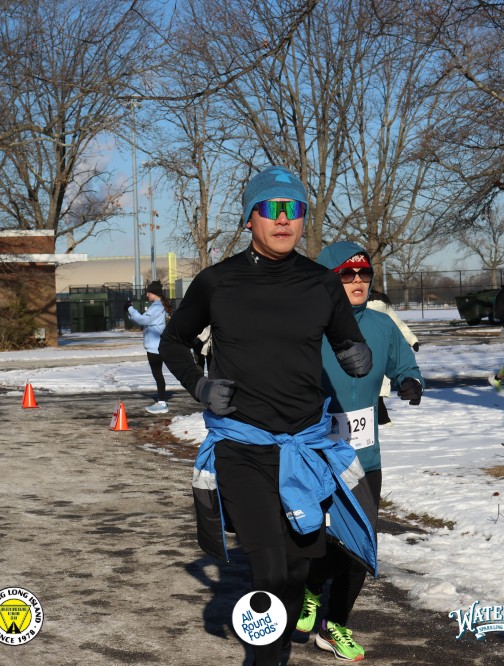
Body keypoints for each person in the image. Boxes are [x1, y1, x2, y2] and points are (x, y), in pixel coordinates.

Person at [159, 166, 376, 666]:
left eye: (293, 209)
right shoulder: (218, 282)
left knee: (299, 570)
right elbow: (173, 341)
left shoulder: (321, 283)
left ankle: (274, 651)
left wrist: (355, 354)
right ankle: (265, 661)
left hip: (305, 449)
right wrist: (199, 384)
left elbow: (348, 340)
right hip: (243, 448)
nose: (283, 219)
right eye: (271, 208)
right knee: (271, 570)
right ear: (249, 219)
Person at [296, 242, 424, 661]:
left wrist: (410, 382)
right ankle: (309, 587)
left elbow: (404, 363)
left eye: (364, 274)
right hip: (315, 454)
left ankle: (334, 626)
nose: (357, 281)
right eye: (347, 274)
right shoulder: (307, 328)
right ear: (328, 280)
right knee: (315, 538)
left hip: (364, 459)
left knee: (361, 546)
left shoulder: (382, 325)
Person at [366, 290, 419, 426]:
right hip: (380, 347)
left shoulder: (360, 305)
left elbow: (395, 324)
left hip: (367, 347)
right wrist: (412, 339)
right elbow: (397, 324)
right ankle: (381, 417)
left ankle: (381, 416)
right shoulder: (384, 305)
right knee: (379, 379)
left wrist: (412, 340)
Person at [126, 280, 172, 414]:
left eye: (148, 293)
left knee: (158, 374)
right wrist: (129, 312)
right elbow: (142, 320)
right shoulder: (157, 306)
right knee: (157, 374)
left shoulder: (157, 307)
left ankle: (162, 403)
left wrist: (130, 309)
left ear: (155, 293)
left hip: (155, 347)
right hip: (155, 346)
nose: (147, 295)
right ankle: (161, 401)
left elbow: (143, 320)